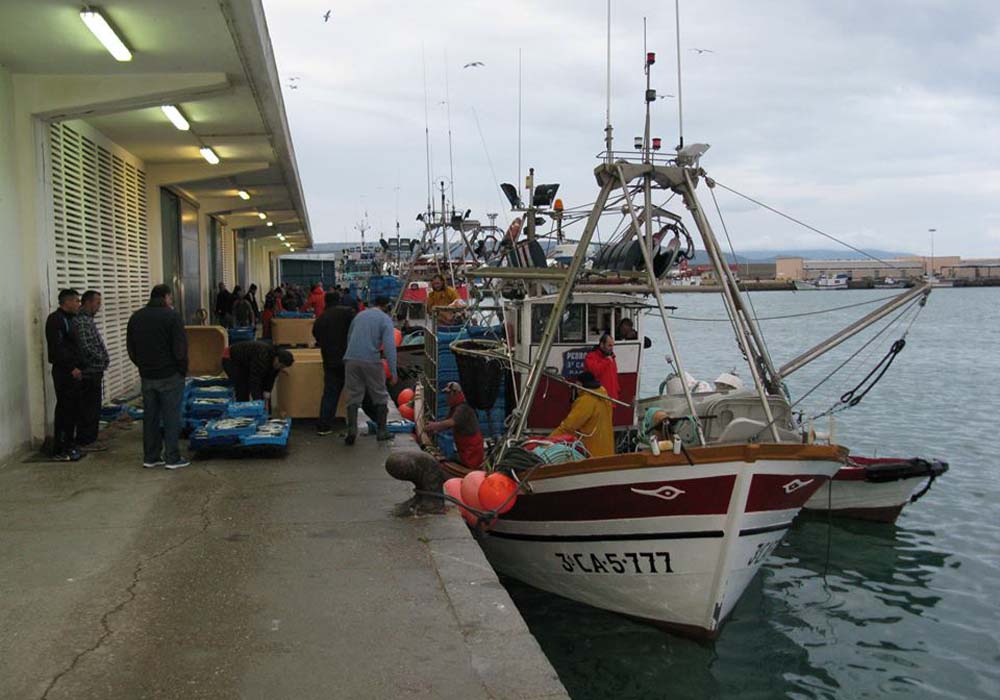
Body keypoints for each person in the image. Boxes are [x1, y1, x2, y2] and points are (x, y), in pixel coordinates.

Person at [126, 284, 190, 469]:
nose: (171, 301)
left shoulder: (136, 317)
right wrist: (181, 370)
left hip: (147, 375)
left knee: (150, 417)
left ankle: (151, 456)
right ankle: (172, 457)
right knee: (171, 417)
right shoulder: (172, 316)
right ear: (166, 297)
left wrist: (143, 366)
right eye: (170, 298)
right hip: (170, 375)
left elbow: (131, 347)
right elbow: (180, 348)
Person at [342, 296, 397, 445]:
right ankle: (382, 431)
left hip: (351, 359)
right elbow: (389, 347)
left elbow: (349, 337)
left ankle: (352, 430)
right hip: (371, 360)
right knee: (380, 395)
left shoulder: (360, 315)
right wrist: (393, 372)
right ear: (387, 306)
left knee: (354, 396)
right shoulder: (385, 319)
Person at [45, 288, 84, 461]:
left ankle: (70, 443)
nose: (78, 304)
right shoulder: (56, 320)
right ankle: (60, 449)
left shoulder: (71, 319)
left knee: (74, 409)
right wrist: (71, 368)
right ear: (66, 302)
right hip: (64, 372)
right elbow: (57, 348)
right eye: (76, 300)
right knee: (65, 409)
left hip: (75, 371)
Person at [313, 290, 357, 436]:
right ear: (339, 299)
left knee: (330, 393)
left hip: (330, 361)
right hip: (349, 358)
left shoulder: (321, 318)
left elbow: (316, 334)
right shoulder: (348, 313)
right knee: (355, 392)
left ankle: (324, 426)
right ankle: (355, 425)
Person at [73, 290, 110, 452]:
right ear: (87, 302)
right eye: (97, 303)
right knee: (88, 408)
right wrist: (101, 359)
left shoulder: (87, 320)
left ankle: (90, 437)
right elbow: (86, 347)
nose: (99, 307)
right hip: (89, 371)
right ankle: (86, 440)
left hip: (95, 370)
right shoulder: (82, 322)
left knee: (93, 407)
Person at [549, 372, 614, 458]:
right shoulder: (604, 396)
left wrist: (549, 440)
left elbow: (569, 426)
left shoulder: (586, 400)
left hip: (591, 453)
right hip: (607, 452)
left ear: (579, 384)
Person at [421, 382, 484, 468]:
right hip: (464, 447)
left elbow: (450, 422)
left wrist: (434, 426)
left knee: (470, 466)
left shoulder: (463, 408)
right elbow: (446, 422)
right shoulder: (455, 407)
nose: (447, 398)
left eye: (448, 394)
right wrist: (436, 429)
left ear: (455, 394)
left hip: (472, 449)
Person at [222, 341, 295, 402]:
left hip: (245, 362)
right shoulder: (262, 357)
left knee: (257, 387)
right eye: (280, 365)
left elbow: (270, 377)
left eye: (283, 367)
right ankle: (242, 413)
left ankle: (260, 411)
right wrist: (258, 401)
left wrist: (267, 391)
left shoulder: (276, 363)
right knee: (243, 386)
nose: (280, 368)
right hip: (230, 358)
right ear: (277, 358)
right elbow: (255, 381)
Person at [584, 333, 620, 401]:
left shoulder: (611, 358)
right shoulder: (591, 356)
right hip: (597, 397)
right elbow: (594, 372)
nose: (611, 348)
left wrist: (617, 390)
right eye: (609, 345)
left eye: (612, 346)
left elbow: (614, 376)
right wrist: (606, 361)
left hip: (611, 397)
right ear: (602, 345)